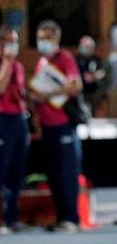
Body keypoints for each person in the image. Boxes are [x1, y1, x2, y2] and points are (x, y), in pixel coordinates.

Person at [27, 20, 83, 232]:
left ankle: (71, 218)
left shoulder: (65, 58)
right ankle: (61, 217)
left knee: (66, 173)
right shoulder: (42, 62)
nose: (43, 42)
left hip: (64, 125)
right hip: (48, 126)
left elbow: (75, 86)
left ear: (56, 39)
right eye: (40, 37)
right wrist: (35, 98)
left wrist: (46, 94)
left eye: (47, 37)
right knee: (52, 174)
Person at [0, 26, 28, 233]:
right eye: (9, 41)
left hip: (19, 120)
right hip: (3, 120)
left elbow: (21, 92)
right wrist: (7, 62)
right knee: (2, 167)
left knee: (17, 172)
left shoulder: (18, 66)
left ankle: (12, 217)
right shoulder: (7, 64)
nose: (13, 46)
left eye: (15, 41)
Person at [76, 36, 106, 113]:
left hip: (94, 92)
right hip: (81, 93)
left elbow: (102, 72)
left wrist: (94, 76)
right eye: (84, 46)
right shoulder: (76, 60)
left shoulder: (95, 59)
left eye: (88, 47)